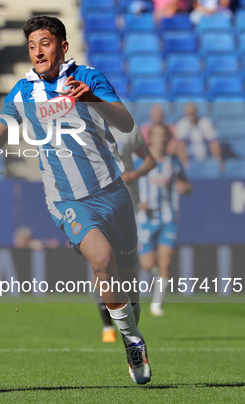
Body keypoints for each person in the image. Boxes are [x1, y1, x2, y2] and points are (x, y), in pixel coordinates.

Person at [0, 16, 151, 385]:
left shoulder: (87, 77)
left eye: (45, 43)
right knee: (102, 261)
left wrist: (91, 99)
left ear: (63, 46)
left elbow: (125, 123)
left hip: (113, 190)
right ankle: (132, 340)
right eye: (32, 45)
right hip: (67, 198)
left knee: (128, 275)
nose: (37, 51)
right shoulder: (22, 92)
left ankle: (131, 323)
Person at [95, 123, 156, 343]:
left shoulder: (128, 130)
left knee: (127, 270)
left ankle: (130, 330)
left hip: (128, 205)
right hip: (96, 206)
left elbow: (150, 160)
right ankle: (107, 326)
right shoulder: (80, 125)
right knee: (101, 264)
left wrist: (134, 174)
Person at [136, 123, 192, 316]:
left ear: (168, 139)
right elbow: (127, 184)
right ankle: (157, 275)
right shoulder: (139, 160)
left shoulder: (173, 162)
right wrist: (137, 203)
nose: (160, 139)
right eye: (157, 135)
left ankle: (156, 305)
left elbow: (186, 185)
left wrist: (185, 189)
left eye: (163, 135)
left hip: (169, 218)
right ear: (150, 138)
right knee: (147, 264)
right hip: (146, 219)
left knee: (165, 262)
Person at [174, 102, 221, 169]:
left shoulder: (205, 122)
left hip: (207, 158)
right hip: (190, 159)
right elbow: (180, 146)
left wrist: (217, 162)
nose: (191, 116)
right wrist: (185, 164)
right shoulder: (181, 124)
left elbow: (214, 142)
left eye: (193, 113)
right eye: (189, 114)